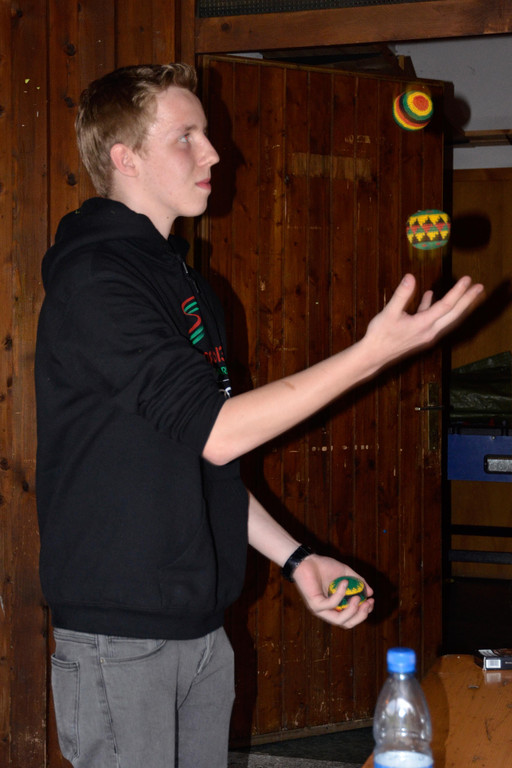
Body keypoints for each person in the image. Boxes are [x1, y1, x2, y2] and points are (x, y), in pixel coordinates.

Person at [35, 63, 484, 768]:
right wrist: (372, 354)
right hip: (121, 635)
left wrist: (296, 558)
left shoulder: (186, 282)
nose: (214, 153)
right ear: (126, 159)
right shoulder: (96, 278)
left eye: (206, 134)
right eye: (186, 137)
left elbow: (206, 459)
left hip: (199, 627)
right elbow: (222, 433)